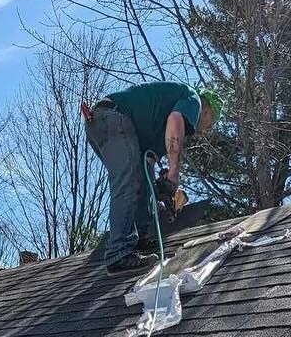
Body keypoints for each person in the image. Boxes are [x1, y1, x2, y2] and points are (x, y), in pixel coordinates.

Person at [85, 82, 221, 273]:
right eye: (210, 123)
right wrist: (174, 173)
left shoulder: (156, 126)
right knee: (128, 181)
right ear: (207, 111)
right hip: (114, 117)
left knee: (138, 178)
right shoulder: (194, 99)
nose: (205, 129)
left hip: (102, 122)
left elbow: (147, 164)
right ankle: (118, 252)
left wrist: (158, 196)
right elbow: (176, 121)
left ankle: (140, 239)